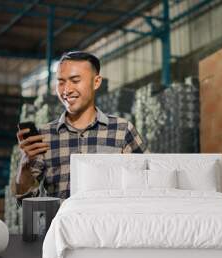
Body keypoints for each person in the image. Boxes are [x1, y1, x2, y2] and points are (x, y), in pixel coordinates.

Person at [13, 51, 148, 201]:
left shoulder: (122, 131)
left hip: (108, 223)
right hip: (62, 224)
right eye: (61, 82)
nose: (67, 90)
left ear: (96, 82)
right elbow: (24, 198)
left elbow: (148, 185)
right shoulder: (45, 136)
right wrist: (25, 165)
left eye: (75, 80)